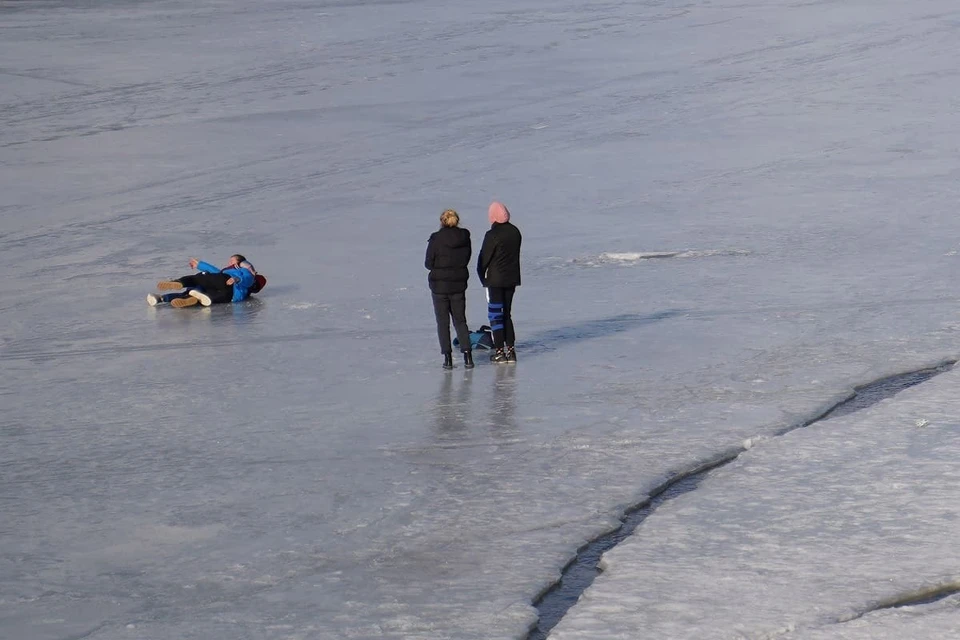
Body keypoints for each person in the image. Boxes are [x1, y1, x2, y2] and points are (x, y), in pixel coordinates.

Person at [425, 209, 474, 370]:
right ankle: (468, 355)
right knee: (460, 320)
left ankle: (447, 358)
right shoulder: (465, 237)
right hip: (458, 285)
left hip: (439, 287)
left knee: (442, 322)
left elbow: (428, 263)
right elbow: (467, 258)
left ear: (442, 221)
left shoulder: (436, 239)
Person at [477, 201, 521, 363]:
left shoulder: (492, 234)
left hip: (495, 281)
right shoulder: (515, 232)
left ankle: (499, 352)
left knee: (495, 316)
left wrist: (482, 276)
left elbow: (484, 258)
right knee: (507, 314)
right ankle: (511, 351)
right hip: (511, 280)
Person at [147, 254, 257, 307]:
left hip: (230, 285)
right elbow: (217, 272)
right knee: (201, 296)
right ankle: (163, 298)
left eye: (231, 260)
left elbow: (248, 279)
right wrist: (200, 264)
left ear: (239, 262)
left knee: (197, 279)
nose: (229, 263)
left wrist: (236, 279)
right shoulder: (228, 270)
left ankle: (180, 282)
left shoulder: (243, 269)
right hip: (227, 295)